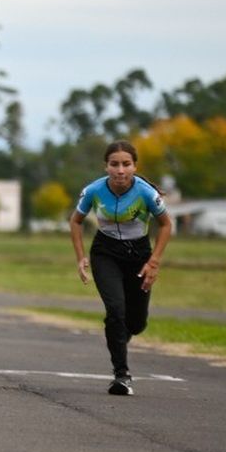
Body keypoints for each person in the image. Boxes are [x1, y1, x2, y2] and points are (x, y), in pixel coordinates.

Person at [69, 139, 173, 396]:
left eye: (126, 164)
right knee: (116, 311)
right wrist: (81, 257)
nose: (120, 170)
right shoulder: (93, 191)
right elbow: (75, 221)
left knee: (135, 323)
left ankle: (119, 337)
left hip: (139, 255)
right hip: (106, 252)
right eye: (114, 164)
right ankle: (121, 375)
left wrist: (154, 262)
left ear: (134, 167)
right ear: (106, 167)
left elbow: (166, 225)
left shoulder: (145, 193)